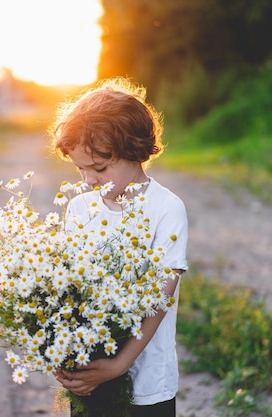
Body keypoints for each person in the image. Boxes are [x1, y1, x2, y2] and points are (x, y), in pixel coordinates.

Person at [48, 77, 189, 417]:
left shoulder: (166, 209)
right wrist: (61, 354)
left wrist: (118, 365)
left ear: (134, 150)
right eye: (80, 169)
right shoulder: (80, 209)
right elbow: (69, 291)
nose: (88, 180)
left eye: (99, 168)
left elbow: (160, 300)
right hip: (90, 374)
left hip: (147, 383)